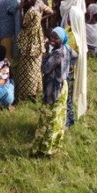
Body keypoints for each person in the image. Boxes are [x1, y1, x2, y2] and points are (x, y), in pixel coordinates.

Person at [31, 27, 75, 158]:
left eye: (55, 38)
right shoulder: (67, 48)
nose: (52, 40)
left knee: (48, 119)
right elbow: (75, 57)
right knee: (58, 118)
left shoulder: (57, 53)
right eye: (51, 37)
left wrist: (45, 52)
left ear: (61, 39)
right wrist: (65, 70)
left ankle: (44, 150)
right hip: (63, 86)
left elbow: (45, 68)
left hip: (54, 88)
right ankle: (55, 146)